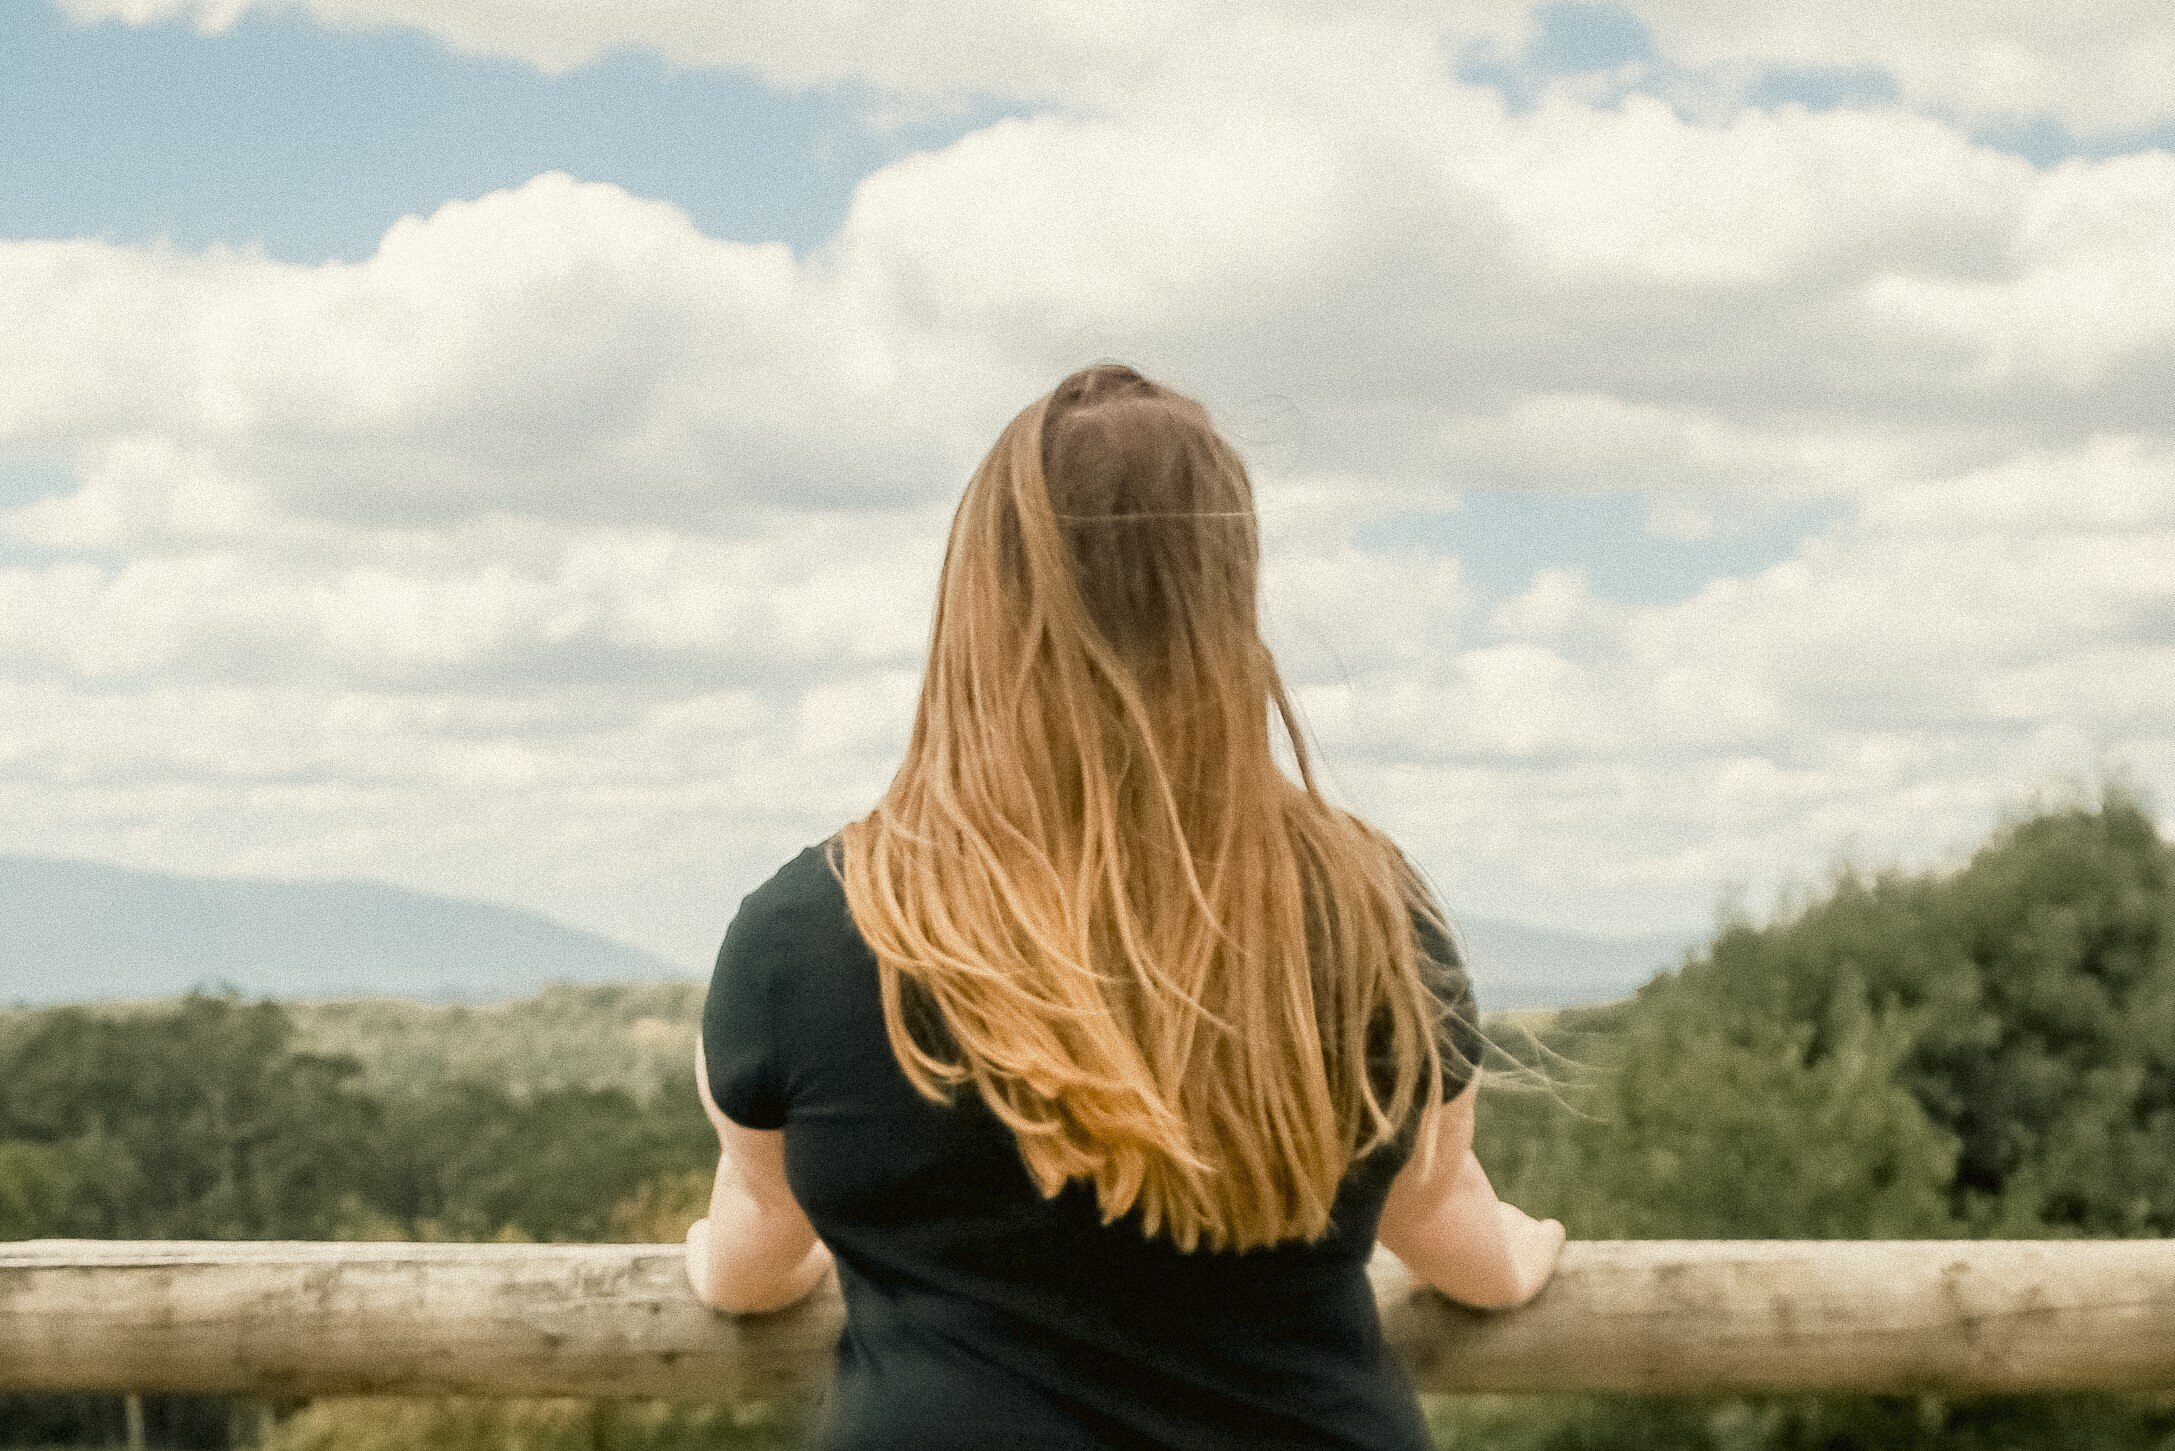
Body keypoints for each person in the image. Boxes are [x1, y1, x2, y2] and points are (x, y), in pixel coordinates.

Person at [684, 362, 1566, 1449]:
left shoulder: (809, 934)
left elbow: (754, 1251)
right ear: (1224, 589)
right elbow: (1436, 1205)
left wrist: (732, 1265)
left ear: (978, 602)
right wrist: (1513, 1258)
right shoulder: (1366, 907)